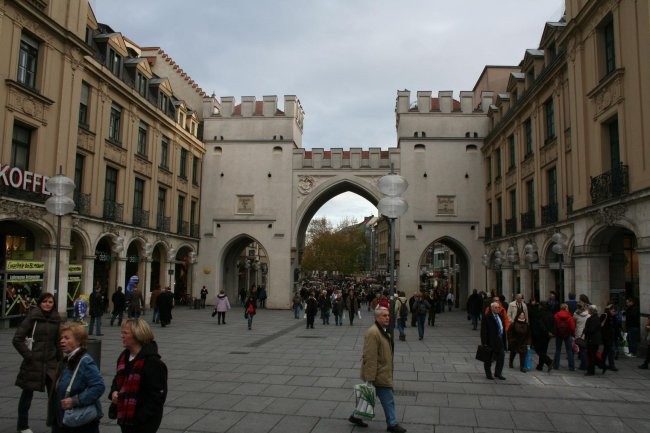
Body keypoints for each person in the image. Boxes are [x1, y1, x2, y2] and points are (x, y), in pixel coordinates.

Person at [348, 306, 407, 433]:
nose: (387, 317)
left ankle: (355, 416)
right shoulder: (373, 332)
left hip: (381, 371)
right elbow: (370, 356)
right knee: (388, 399)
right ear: (376, 317)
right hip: (379, 374)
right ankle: (392, 423)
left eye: (388, 315)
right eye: (384, 315)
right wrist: (370, 377)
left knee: (368, 397)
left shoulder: (383, 331)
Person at [13, 292, 62, 433]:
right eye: (45, 301)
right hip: (33, 363)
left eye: (50, 302)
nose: (47, 304)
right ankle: (22, 426)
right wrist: (29, 355)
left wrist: (61, 360)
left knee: (54, 395)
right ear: (40, 303)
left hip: (51, 364)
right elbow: (17, 339)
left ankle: (55, 425)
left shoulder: (56, 319)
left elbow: (58, 342)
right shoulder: (32, 318)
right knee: (27, 396)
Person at [110, 319, 168, 433]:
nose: (121, 336)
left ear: (137, 335)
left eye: (125, 333)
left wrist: (141, 416)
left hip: (143, 421)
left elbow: (157, 395)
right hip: (125, 417)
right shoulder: (124, 356)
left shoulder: (152, 362)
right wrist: (114, 391)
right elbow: (117, 379)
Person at [51, 321, 105, 433]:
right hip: (64, 420)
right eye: (61, 338)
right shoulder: (67, 360)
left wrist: (76, 400)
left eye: (67, 338)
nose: (62, 341)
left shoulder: (85, 361)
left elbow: (98, 386)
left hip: (80, 422)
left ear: (78, 341)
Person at [481, 301, 507, 380]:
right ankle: (488, 374)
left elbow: (502, 328)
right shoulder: (487, 317)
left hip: (500, 340)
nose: (497, 309)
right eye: (496, 307)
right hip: (491, 341)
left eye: (498, 307)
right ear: (492, 308)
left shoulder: (500, 316)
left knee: (501, 357)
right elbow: (483, 331)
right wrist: (484, 342)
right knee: (489, 358)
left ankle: (498, 373)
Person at [530, 300, 554, 372]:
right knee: (543, 350)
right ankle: (540, 366)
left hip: (540, 335)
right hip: (547, 336)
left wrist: (546, 332)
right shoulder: (550, 314)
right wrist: (551, 332)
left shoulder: (539, 314)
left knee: (538, 350)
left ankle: (549, 361)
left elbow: (540, 325)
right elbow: (553, 324)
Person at [553, 303, 576, 371]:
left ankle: (556, 366)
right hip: (567, 334)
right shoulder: (569, 316)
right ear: (566, 308)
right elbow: (572, 327)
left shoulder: (556, 315)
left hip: (559, 334)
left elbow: (554, 325)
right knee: (569, 351)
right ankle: (571, 367)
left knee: (558, 350)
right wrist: (573, 334)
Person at [583, 304, 603, 375]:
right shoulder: (595, 318)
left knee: (591, 355)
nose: (588, 310)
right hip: (594, 340)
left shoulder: (593, 319)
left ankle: (591, 370)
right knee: (592, 355)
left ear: (591, 310)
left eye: (589, 309)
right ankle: (602, 366)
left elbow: (591, 330)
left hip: (592, 340)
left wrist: (585, 331)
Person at [601, 304, 619, 372]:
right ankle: (608, 365)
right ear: (610, 310)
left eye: (615, 311)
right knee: (608, 351)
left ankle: (608, 364)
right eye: (613, 311)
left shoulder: (614, 317)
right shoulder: (605, 315)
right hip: (606, 337)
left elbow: (615, 326)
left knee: (608, 352)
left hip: (611, 337)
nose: (614, 312)